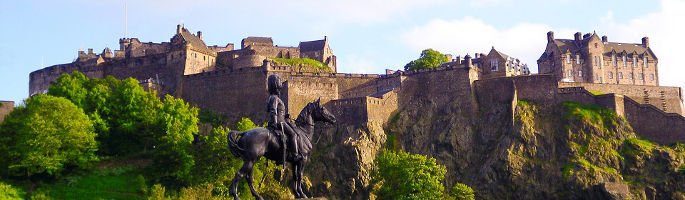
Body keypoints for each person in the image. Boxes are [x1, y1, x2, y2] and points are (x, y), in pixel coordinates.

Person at [266, 74, 301, 162]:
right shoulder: (275, 98)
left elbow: (273, 111)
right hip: (279, 122)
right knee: (293, 134)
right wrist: (275, 123)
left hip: (279, 120)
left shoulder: (271, 98)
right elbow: (273, 111)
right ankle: (295, 155)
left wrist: (285, 116)